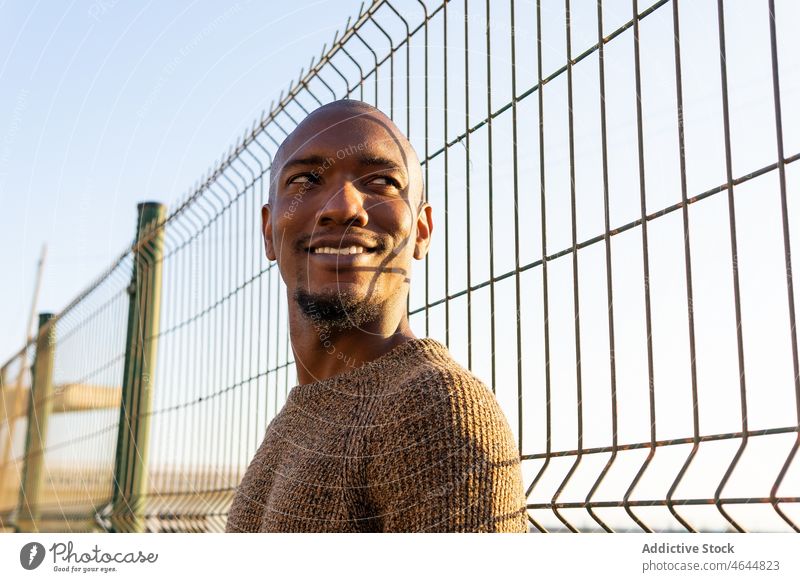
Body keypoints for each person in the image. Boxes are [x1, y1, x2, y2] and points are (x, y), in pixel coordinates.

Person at [224, 99, 528, 532]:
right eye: (306, 179)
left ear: (421, 231)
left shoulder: (432, 407)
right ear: (269, 232)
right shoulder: (295, 423)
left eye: (383, 181)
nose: (344, 208)